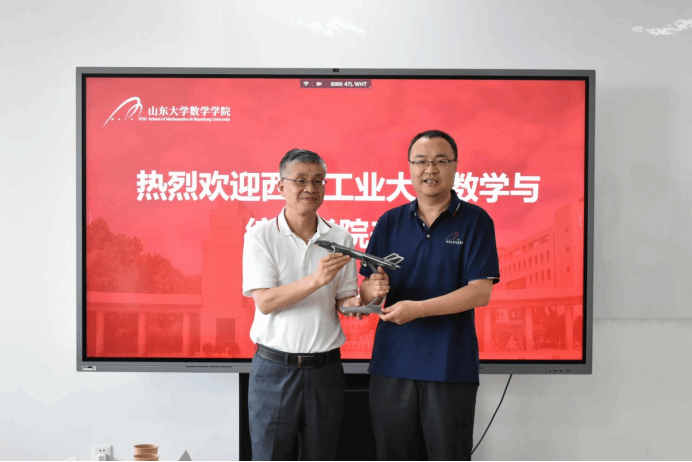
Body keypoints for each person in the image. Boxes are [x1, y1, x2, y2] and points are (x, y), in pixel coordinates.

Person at [359, 129, 501, 461]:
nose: (430, 170)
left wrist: (418, 309)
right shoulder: (390, 221)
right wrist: (371, 291)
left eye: (440, 161)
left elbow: (480, 293)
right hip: (392, 365)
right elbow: (366, 290)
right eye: (421, 161)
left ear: (455, 166)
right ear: (410, 167)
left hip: (449, 367)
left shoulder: (476, 221)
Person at [242, 148, 362, 461]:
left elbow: (345, 301)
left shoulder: (341, 238)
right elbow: (265, 301)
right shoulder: (260, 236)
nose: (311, 188)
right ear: (281, 186)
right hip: (274, 370)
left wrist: (367, 299)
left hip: (325, 371)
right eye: (301, 180)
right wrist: (316, 279)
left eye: (318, 181)